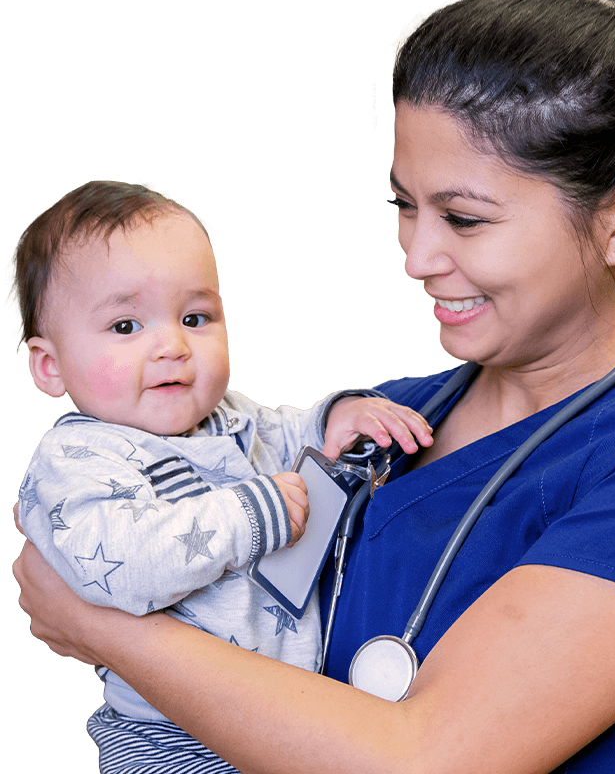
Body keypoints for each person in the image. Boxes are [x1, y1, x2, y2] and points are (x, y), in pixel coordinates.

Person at [13, 0, 615, 773]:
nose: (417, 258)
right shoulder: (376, 421)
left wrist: (105, 627)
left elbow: (428, 763)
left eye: (464, 218)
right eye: (403, 206)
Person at [9, 180, 433, 773]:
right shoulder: (78, 459)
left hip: (289, 714)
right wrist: (252, 513)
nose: (173, 346)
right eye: (126, 326)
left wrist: (339, 416)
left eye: (195, 316)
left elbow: (294, 437)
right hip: (169, 737)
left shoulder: (228, 416)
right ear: (50, 366)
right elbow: (123, 568)